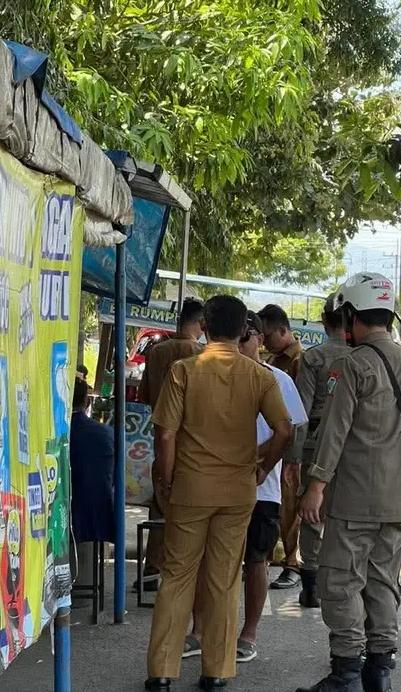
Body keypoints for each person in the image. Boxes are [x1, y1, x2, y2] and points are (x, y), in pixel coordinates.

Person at [145, 295, 293, 691]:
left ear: (205, 327)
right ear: (244, 330)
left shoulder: (184, 371)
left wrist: (167, 477)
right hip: (238, 490)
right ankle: (218, 671)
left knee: (177, 575)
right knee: (224, 579)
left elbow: (166, 433)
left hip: (190, 488)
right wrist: (262, 467)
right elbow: (285, 430)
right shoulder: (260, 375)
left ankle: (162, 672)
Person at [298, 273, 401, 692]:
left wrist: (315, 485)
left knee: (340, 582)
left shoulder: (351, 365)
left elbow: (334, 431)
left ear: (351, 315)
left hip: (353, 498)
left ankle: (346, 673)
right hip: (396, 499)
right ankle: (380, 672)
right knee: (383, 582)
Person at [187, 310, 307, 665]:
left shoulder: (277, 379)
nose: (244, 344)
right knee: (208, 560)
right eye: (240, 336)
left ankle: (248, 633)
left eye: (251, 337)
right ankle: (199, 630)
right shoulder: (207, 374)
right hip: (215, 484)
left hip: (261, 489)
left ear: (259, 339)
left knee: (256, 560)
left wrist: (262, 463)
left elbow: (287, 432)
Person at [137, 298, 205, 589]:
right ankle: (180, 574)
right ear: (201, 324)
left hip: (159, 442)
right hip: (191, 446)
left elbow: (143, 396)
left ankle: (152, 568)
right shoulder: (200, 355)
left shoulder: (156, 352)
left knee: (160, 506)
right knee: (190, 513)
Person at [295, 293, 349, 609]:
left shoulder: (313, 358)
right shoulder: (363, 356)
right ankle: (342, 581)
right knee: (345, 515)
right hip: (353, 447)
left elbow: (300, 414)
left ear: (324, 320)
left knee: (312, 514)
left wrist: (291, 458)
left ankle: (311, 585)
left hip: (315, 443)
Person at [257, 304, 304, 591]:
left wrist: (293, 458)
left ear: (283, 331)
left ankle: (292, 562)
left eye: (268, 335)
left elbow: (298, 417)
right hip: (268, 442)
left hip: (286, 445)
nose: (264, 341)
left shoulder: (299, 361)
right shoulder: (271, 359)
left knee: (290, 507)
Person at [69, 375, 114, 544]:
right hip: (100, 516)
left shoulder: (53, 434)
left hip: (65, 514)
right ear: (87, 402)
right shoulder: (106, 434)